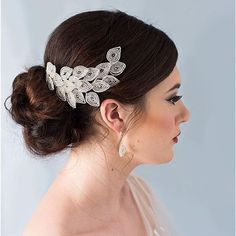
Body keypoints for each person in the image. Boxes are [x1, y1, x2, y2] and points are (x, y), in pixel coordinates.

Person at [5, 9, 190, 236]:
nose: (185, 114)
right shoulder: (57, 232)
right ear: (115, 115)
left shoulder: (139, 195)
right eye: (172, 99)